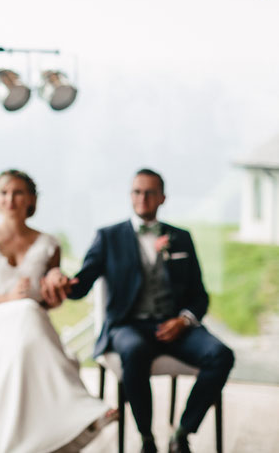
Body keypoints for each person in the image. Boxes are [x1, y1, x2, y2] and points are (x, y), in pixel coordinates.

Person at [43, 168, 235, 453]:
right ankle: (146, 437)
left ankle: (182, 433)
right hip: (127, 326)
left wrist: (183, 321)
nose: (142, 198)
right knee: (133, 350)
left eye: (149, 192)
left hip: (175, 325)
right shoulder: (108, 237)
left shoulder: (181, 238)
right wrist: (58, 277)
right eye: (137, 191)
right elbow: (82, 284)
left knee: (221, 355)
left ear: (162, 198)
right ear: (130, 196)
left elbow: (199, 296)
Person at [0, 169, 116, 453]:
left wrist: (57, 287)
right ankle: (79, 412)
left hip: (28, 329)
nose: (10, 199)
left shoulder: (49, 244)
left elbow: (50, 302)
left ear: (31, 199)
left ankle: (53, 432)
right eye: (4, 193)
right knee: (26, 310)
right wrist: (8, 299)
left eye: (18, 193)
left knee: (29, 316)